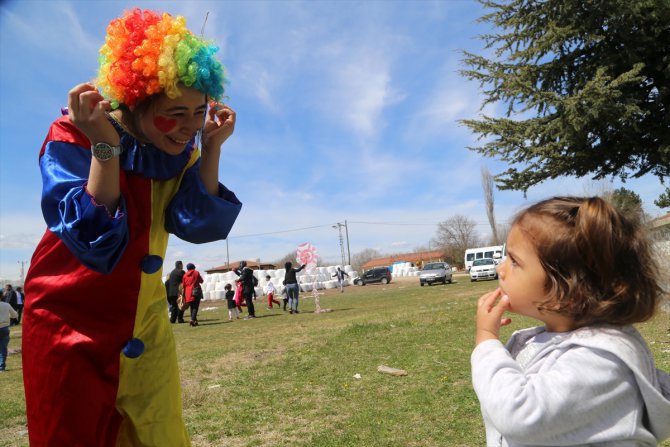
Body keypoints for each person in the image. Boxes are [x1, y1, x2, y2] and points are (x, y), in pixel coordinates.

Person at [21, 9, 242, 446]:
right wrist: (106, 147)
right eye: (175, 113)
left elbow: (195, 222)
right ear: (134, 101)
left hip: (147, 326)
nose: (188, 128)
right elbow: (92, 240)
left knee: (160, 436)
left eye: (198, 112)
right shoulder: (73, 135)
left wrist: (211, 148)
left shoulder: (181, 152)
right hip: (68, 326)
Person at [472, 196, 670, 446]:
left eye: (515, 261)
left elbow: (519, 414)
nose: (501, 269)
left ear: (567, 291)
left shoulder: (599, 360)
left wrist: (486, 340)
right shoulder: (541, 339)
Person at [0, 299, 18, 372]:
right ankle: (1, 367)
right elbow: (14, 315)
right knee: (3, 348)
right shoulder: (6, 305)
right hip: (4, 327)